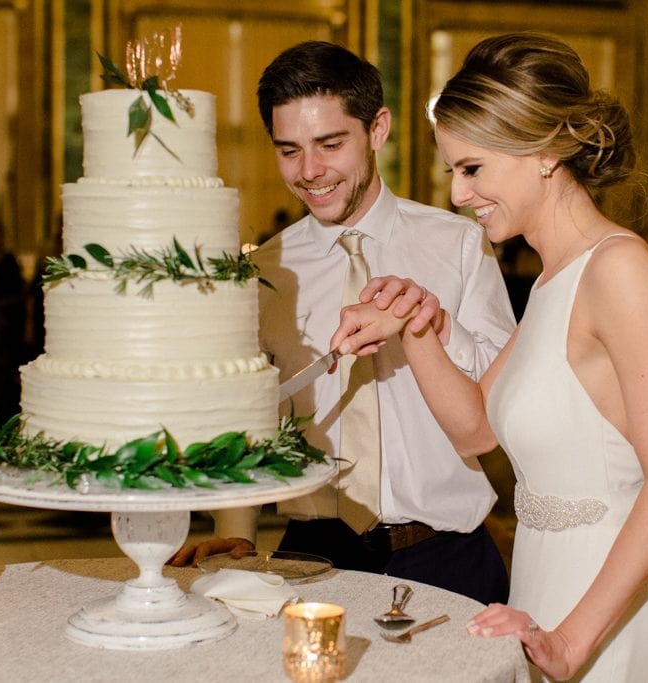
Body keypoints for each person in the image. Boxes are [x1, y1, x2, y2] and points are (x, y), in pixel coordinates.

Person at [329, 33, 648, 681]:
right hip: (541, 594)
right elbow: (474, 427)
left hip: (606, 618)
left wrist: (571, 639)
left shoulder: (619, 269)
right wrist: (415, 325)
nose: (456, 193)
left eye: (471, 168)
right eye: (453, 170)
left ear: (543, 154)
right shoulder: (550, 279)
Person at [169, 41, 515, 605]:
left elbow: (501, 401)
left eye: (330, 144)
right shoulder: (263, 272)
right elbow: (247, 417)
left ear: (377, 129)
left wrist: (431, 320)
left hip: (448, 554)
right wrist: (235, 531)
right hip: (310, 556)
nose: (310, 172)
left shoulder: (459, 242)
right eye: (289, 151)